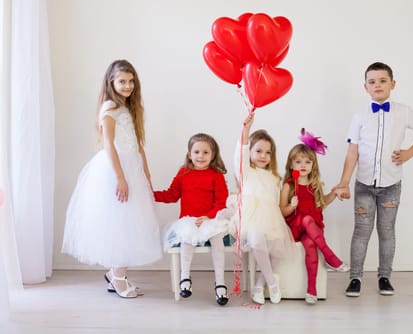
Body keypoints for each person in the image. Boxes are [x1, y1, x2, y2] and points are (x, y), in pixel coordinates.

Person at [62, 59, 162, 299]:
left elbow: (138, 144)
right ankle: (118, 277)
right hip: (116, 168)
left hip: (133, 166)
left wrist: (145, 172)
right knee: (122, 222)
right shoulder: (109, 107)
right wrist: (121, 177)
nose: (127, 86)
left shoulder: (130, 108)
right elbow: (108, 143)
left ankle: (115, 274)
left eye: (131, 81)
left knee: (130, 221)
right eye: (122, 81)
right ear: (111, 82)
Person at [338, 62, 413, 297]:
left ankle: (384, 277)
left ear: (392, 84)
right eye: (372, 82)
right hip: (364, 185)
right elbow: (352, 153)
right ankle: (355, 278)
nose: (377, 85)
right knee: (361, 231)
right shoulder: (360, 116)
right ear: (365, 87)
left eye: (382, 80)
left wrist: (409, 152)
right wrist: (344, 182)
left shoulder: (403, 111)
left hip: (391, 185)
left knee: (387, 231)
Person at [154, 133, 231, 306]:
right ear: (189, 154)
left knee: (217, 239)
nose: (201, 156)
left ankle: (220, 284)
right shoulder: (184, 173)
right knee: (186, 237)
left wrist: (209, 216)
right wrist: (151, 195)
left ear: (213, 155)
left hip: (210, 218)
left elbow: (222, 200)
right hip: (188, 220)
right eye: (196, 152)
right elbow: (172, 195)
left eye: (205, 152)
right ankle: (185, 279)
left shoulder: (216, 175)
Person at [280, 129, 350, 304]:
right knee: (306, 219)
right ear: (291, 165)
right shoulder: (289, 186)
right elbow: (282, 211)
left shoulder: (315, 185)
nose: (303, 165)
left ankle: (311, 290)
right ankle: (330, 256)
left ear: (313, 165)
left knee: (311, 245)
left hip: (312, 230)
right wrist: (291, 206)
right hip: (296, 225)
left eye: (307, 162)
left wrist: (333, 194)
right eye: (298, 162)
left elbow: (321, 204)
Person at [233, 113, 293, 305]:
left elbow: (275, 203)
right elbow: (239, 154)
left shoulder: (275, 177)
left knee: (278, 249)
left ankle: (260, 285)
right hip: (250, 217)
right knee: (257, 239)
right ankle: (272, 284)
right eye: (258, 151)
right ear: (250, 152)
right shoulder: (246, 172)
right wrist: (246, 130)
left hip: (272, 217)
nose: (263, 156)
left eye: (268, 153)